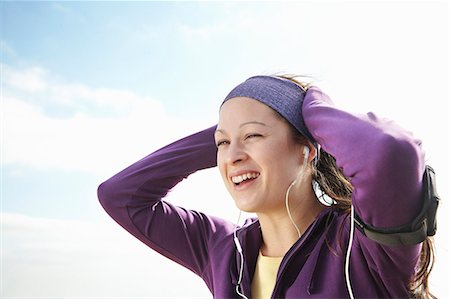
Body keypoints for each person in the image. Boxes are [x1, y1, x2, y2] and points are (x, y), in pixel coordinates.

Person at [97, 75, 436, 298]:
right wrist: (233, 130)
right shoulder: (223, 251)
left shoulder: (362, 245)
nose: (232, 157)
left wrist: (311, 110)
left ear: (308, 147)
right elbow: (121, 195)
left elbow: (389, 152)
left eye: (254, 136)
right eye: (222, 144)